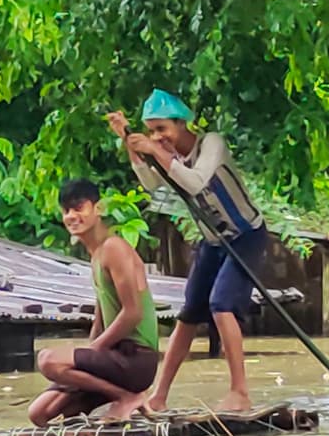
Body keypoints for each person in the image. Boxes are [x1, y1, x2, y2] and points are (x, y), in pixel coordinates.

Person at [107, 88, 267, 413]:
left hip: (245, 235)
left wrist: (155, 150)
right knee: (189, 314)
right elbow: (154, 186)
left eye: (163, 129)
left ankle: (240, 392)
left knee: (221, 305)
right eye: (152, 130)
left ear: (182, 125)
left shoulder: (212, 144)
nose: (158, 137)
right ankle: (159, 396)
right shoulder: (168, 155)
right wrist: (134, 148)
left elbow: (195, 182)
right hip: (212, 241)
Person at [27, 179, 160, 426]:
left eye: (79, 208)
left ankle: (127, 397)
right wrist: (87, 357)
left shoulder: (114, 248)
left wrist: (94, 350)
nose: (71, 216)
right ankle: (119, 396)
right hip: (114, 359)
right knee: (40, 413)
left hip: (136, 359)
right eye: (66, 211)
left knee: (48, 360)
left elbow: (133, 313)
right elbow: (101, 313)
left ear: (97, 209)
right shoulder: (96, 255)